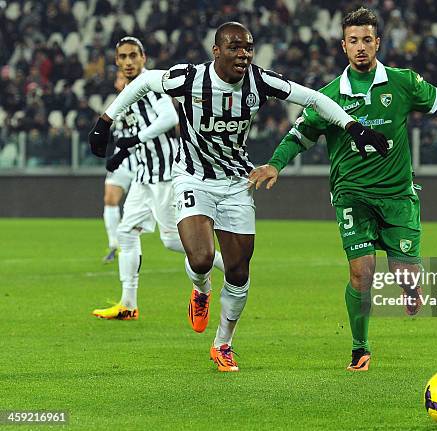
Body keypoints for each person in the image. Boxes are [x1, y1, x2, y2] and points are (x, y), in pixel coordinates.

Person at [88, 22, 388, 372]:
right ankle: (201, 289)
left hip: (236, 183)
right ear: (217, 51)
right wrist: (105, 121)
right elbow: (142, 82)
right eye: (234, 47)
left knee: (239, 271)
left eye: (248, 47)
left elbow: (315, 98)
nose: (243, 54)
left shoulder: (260, 80)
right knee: (201, 258)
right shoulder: (188, 78)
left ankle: (223, 344)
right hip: (193, 178)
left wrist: (354, 127)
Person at [249, 8, 437, 371]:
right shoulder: (329, 96)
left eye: (366, 40)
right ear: (342, 45)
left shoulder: (403, 82)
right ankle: (359, 347)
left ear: (377, 42)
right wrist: (275, 164)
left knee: (405, 276)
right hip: (352, 195)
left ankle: (411, 288)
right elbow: (301, 134)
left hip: (397, 197)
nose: (360, 47)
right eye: (353, 41)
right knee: (362, 273)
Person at [92, 37, 224, 320]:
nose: (128, 62)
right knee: (126, 233)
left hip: (165, 175)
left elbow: (168, 117)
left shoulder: (152, 86)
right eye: (123, 57)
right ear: (117, 61)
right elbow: (130, 136)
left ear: (143, 57)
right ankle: (128, 303)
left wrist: (133, 140)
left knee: (171, 240)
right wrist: (123, 153)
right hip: (143, 176)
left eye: (133, 56)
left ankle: (230, 265)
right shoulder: (127, 93)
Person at [102, 71, 135, 263]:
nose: (118, 81)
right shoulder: (116, 103)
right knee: (110, 199)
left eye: (121, 78)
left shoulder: (142, 98)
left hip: (143, 159)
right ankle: (114, 243)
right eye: (117, 78)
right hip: (121, 158)